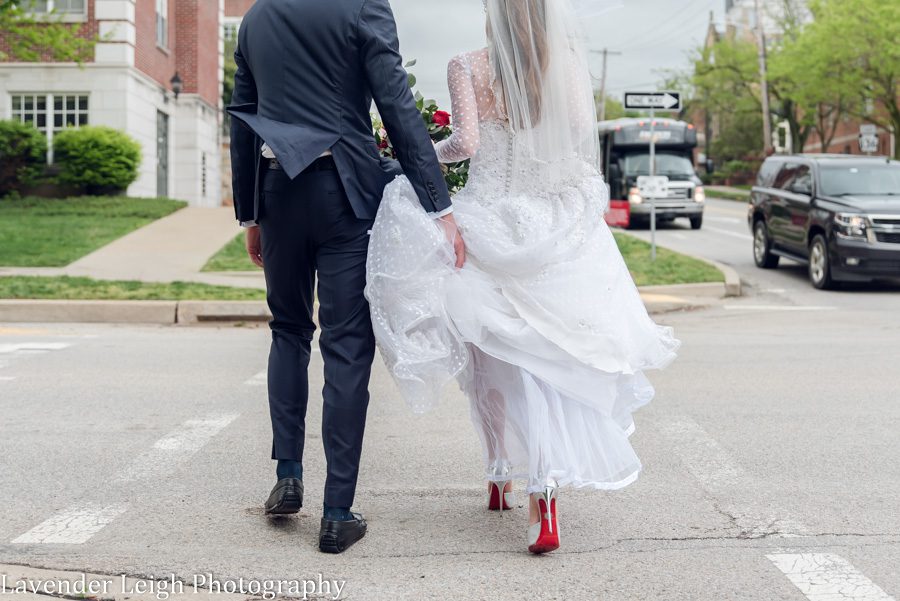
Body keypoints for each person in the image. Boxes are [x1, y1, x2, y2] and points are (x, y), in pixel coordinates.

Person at [365, 0, 679, 554]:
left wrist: (416, 155)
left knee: (490, 354)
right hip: (552, 220)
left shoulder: (468, 65)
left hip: (491, 217)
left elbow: (465, 145)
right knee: (545, 358)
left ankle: (497, 475)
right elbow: (578, 133)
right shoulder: (568, 66)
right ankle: (545, 496)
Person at [228, 0, 466, 554]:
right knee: (345, 346)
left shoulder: (257, 17)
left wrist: (250, 212)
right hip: (344, 194)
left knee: (288, 330)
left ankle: (288, 474)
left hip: (277, 190)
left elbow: (242, 114)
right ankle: (337, 513)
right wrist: (441, 207)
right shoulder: (363, 7)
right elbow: (397, 106)